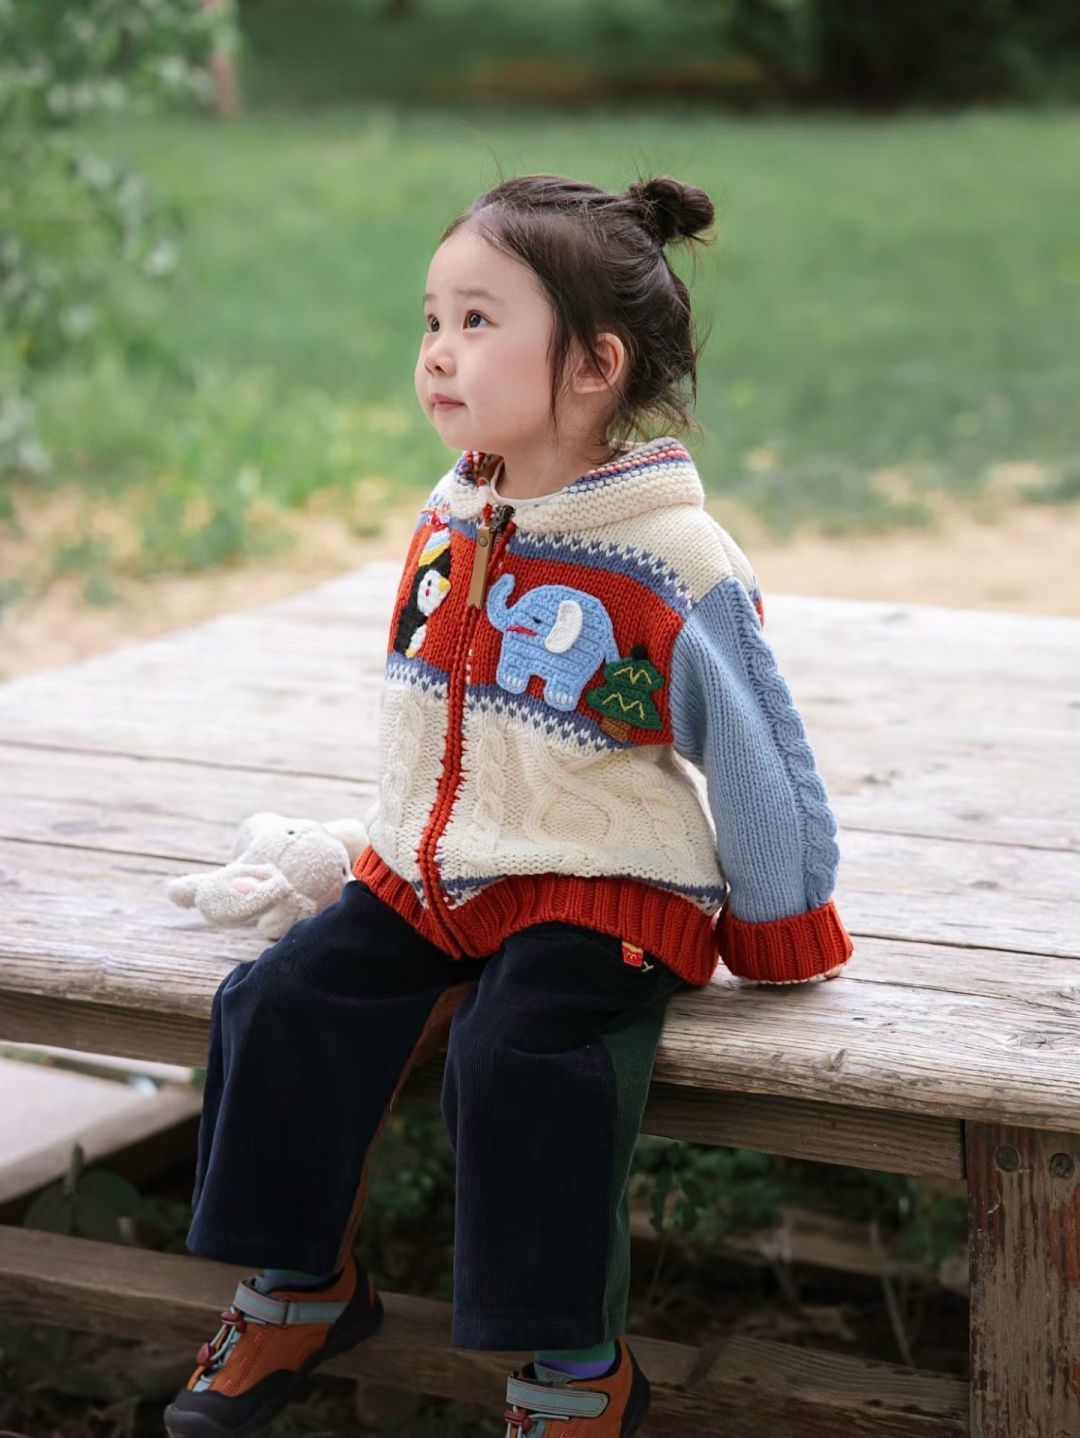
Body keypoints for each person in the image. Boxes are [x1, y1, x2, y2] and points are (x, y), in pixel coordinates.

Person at [164, 171, 854, 1438]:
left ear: (592, 365)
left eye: (477, 321)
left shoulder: (673, 556)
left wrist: (783, 917)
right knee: (279, 998)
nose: (437, 350)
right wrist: (384, 853)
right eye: (431, 319)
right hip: (444, 874)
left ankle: (576, 1371)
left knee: (519, 1054)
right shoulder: (455, 507)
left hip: (604, 885)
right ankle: (300, 1288)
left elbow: (758, 749)